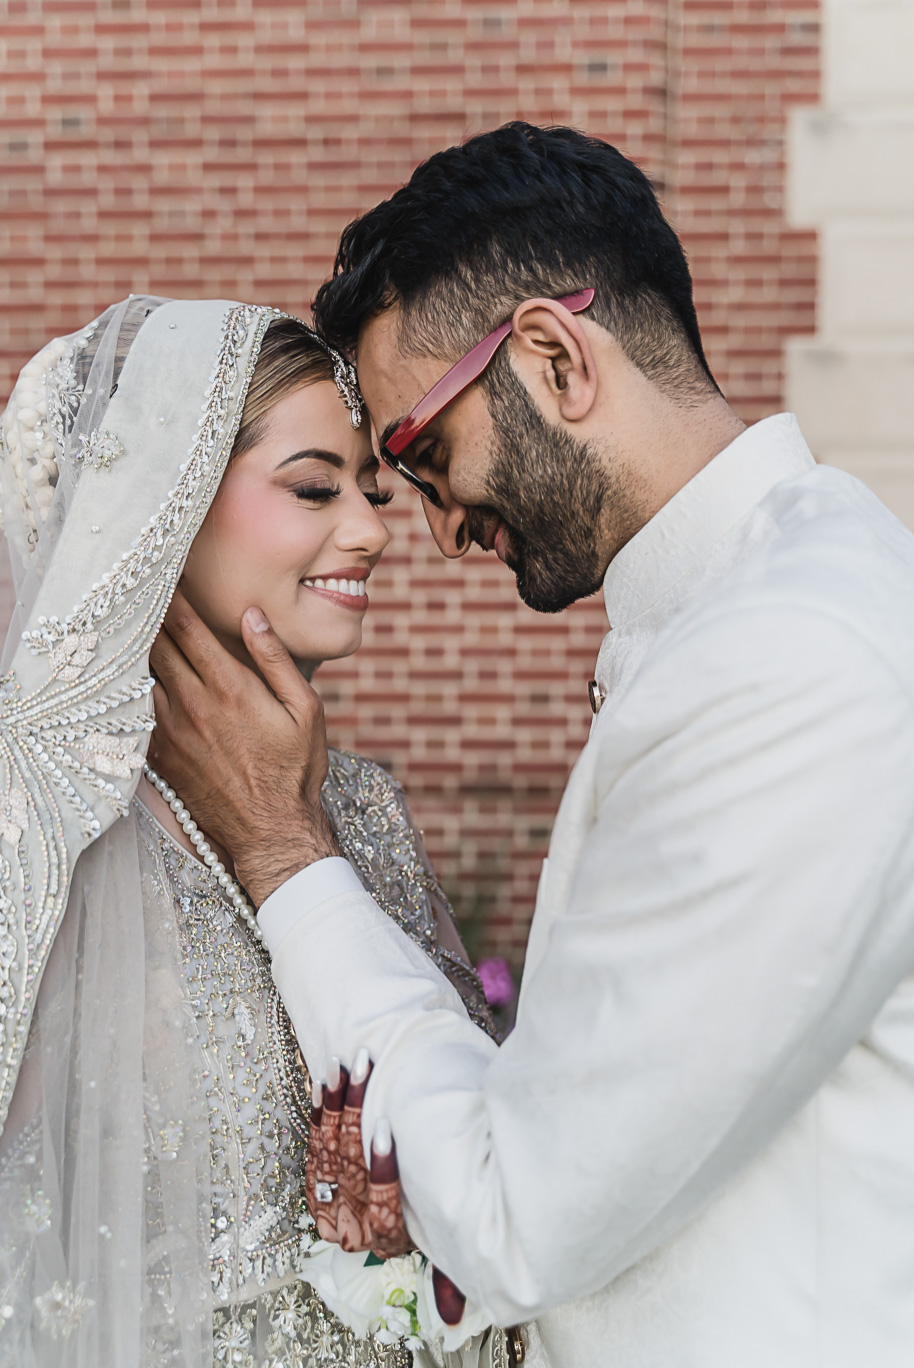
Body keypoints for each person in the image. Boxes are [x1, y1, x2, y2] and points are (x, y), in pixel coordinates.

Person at [148, 122, 914, 1368]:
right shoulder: (754, 609)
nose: (434, 533)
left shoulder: (791, 662)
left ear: (554, 359)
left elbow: (521, 1211)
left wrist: (283, 848)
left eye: (419, 457)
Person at [0, 296, 513, 1368]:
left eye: (370, 490)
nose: (373, 530)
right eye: (316, 487)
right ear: (156, 503)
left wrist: (404, 1224)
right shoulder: (35, 830)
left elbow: (486, 1157)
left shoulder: (357, 808)